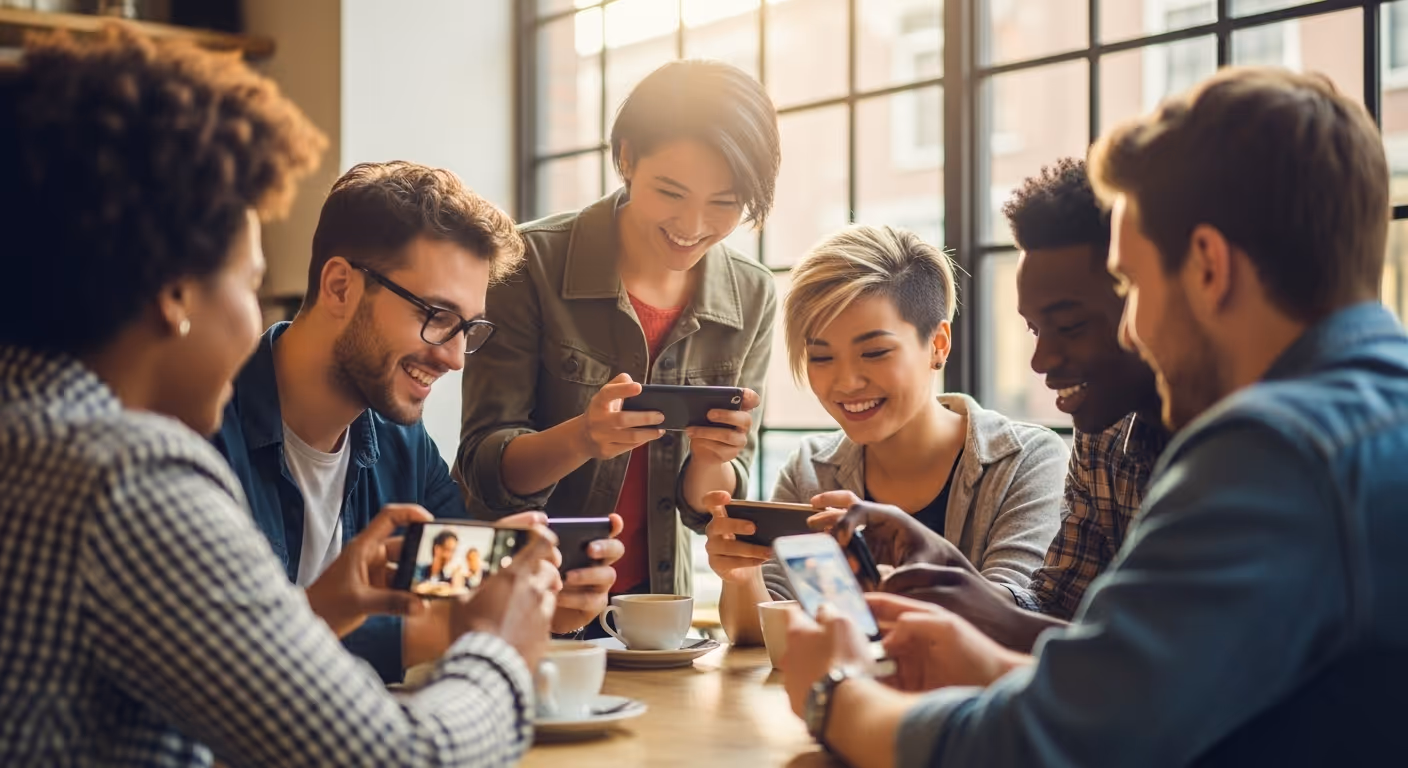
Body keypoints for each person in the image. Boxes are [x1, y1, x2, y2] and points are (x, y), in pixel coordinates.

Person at [780, 66, 1408, 768]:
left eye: (1133, 284)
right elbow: (1178, 705)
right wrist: (992, 663)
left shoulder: (1274, 450)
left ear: (1208, 266)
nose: (1132, 330)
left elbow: (1049, 749)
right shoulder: (1374, 413)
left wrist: (835, 694)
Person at [0, 27, 562, 767]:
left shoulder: (29, 429)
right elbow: (393, 760)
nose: (255, 315)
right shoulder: (128, 478)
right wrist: (496, 649)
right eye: (247, 282)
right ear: (176, 294)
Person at [213, 160, 624, 681]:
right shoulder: (199, 432)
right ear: (340, 287)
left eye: (468, 329)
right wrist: (448, 630)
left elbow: (461, 592)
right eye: (435, 317)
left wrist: (545, 604)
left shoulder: (403, 443)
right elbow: (219, 661)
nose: (455, 358)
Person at [457, 59, 781, 601]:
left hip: (658, 616)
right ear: (627, 157)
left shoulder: (752, 295)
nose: (693, 226)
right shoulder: (529, 263)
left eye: (724, 203)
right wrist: (582, 437)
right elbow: (483, 470)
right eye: (671, 193)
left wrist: (710, 459)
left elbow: (709, 510)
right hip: (527, 601)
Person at [857, 158, 1170, 652]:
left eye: (1069, 327)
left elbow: (1156, 660)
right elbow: (1058, 604)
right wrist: (945, 565)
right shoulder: (1101, 437)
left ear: (1147, 302)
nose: (1041, 360)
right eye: (1033, 329)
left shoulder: (1239, 447)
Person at [704, 225, 1067, 644]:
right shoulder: (810, 470)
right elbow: (756, 635)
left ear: (939, 344)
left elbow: (1011, 616)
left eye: (874, 352)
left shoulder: (1024, 460)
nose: (845, 382)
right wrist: (741, 576)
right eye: (821, 357)